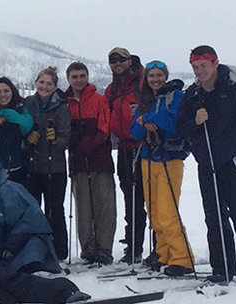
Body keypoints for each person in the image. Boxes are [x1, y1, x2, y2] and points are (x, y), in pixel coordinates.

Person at [176, 45, 236, 285]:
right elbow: (181, 128)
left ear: (215, 63)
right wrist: (195, 120)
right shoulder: (192, 95)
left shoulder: (234, 90)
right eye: (195, 67)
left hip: (235, 162)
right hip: (207, 164)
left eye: (203, 65)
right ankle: (222, 269)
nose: (200, 71)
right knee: (214, 218)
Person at [130, 60, 194, 277]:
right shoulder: (146, 100)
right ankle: (163, 252)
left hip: (170, 158)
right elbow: (135, 131)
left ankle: (182, 258)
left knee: (168, 211)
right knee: (155, 211)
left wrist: (148, 118)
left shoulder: (175, 97)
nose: (155, 79)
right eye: (151, 76)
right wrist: (143, 122)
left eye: (159, 75)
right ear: (146, 79)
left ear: (165, 76)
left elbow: (177, 124)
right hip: (149, 159)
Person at [0, 153, 61, 274]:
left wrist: (12, 246)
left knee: (36, 241)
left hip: (14, 247)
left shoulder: (10, 190)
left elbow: (32, 218)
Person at [66, 62, 115, 265]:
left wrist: (89, 144)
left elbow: (105, 128)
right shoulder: (65, 102)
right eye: (74, 77)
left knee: (104, 206)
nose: (79, 80)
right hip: (77, 161)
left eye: (82, 76)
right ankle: (88, 247)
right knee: (83, 208)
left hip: (99, 159)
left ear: (87, 76)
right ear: (68, 78)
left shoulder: (99, 99)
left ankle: (104, 249)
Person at [23, 66, 71, 260]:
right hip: (32, 168)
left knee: (54, 212)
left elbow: (66, 138)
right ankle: (35, 252)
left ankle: (58, 252)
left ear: (55, 86)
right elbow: (21, 130)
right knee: (32, 212)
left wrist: (56, 141)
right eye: (41, 82)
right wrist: (27, 140)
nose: (44, 86)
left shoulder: (62, 107)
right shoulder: (28, 103)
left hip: (55, 168)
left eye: (49, 83)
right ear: (35, 83)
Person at [105, 47, 147, 264]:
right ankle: (134, 247)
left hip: (144, 146)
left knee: (149, 198)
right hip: (123, 147)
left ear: (130, 60)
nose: (117, 63)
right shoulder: (111, 89)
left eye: (121, 59)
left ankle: (158, 248)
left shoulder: (143, 82)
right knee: (131, 199)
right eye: (113, 60)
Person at [0, 76, 33, 184]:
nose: (3, 95)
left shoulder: (21, 107)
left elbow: (27, 125)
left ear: (12, 91)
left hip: (16, 167)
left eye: (6, 91)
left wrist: (4, 114)